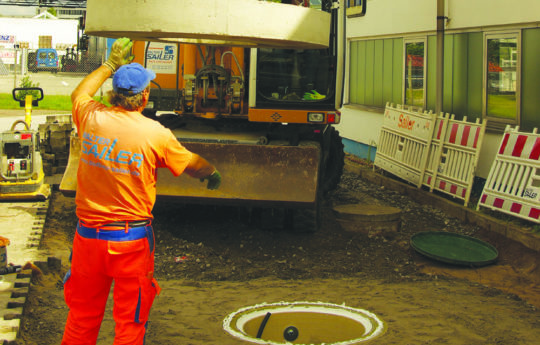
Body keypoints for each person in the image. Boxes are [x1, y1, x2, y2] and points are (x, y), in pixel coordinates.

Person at [61, 37, 221, 345]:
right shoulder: (155, 135)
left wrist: (109, 65)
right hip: (129, 243)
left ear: (114, 93)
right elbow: (192, 164)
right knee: (130, 323)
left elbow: (79, 92)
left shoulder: (91, 118)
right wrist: (211, 174)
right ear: (144, 96)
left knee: (81, 316)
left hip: (88, 240)